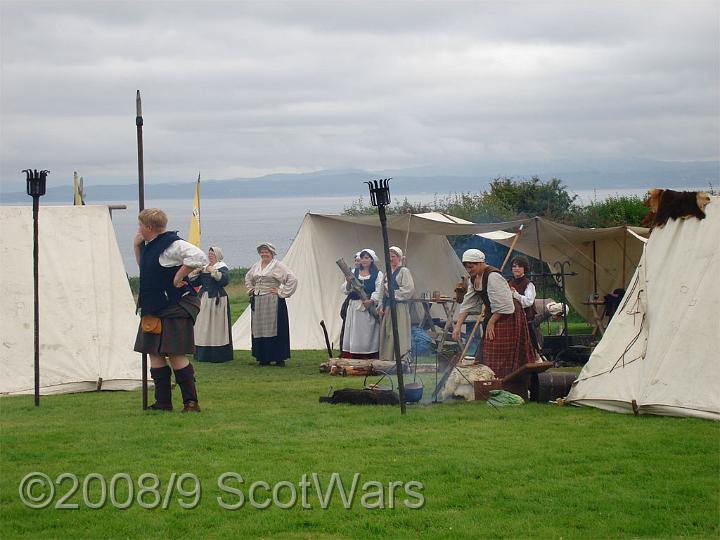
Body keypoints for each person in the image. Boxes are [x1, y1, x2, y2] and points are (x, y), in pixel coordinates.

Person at [133, 208, 207, 412]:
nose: (138, 229)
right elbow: (146, 269)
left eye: (140, 225)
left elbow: (199, 257)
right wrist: (136, 247)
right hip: (154, 308)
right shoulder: (150, 246)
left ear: (148, 227)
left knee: (175, 355)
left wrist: (179, 276)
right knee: (154, 353)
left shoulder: (172, 245)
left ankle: (191, 403)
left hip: (174, 307)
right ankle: (163, 403)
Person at [452, 249, 534, 378]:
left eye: (471, 267)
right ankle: (491, 380)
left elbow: (505, 304)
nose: (469, 270)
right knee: (490, 348)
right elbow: (467, 303)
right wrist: (458, 326)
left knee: (501, 349)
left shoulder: (493, 276)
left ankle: (507, 380)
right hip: (496, 313)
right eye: (467, 267)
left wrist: (491, 321)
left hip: (508, 315)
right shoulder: (474, 278)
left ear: (480, 263)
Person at [245, 242, 298, 366]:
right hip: (258, 301)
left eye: (266, 251)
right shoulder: (256, 266)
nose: (264, 254)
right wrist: (251, 289)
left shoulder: (278, 266)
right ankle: (263, 357)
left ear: (272, 253)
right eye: (262, 252)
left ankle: (278, 358)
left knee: (274, 329)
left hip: (272, 301)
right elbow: (248, 277)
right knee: (260, 329)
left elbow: (292, 279)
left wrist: (281, 292)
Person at [188, 246, 233, 363]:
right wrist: (195, 272)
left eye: (212, 254)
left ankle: (218, 354)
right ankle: (202, 353)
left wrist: (214, 272)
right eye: (209, 254)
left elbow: (224, 281)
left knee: (216, 326)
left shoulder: (221, 267)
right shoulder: (204, 267)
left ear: (218, 255)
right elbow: (194, 282)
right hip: (204, 299)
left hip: (217, 299)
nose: (210, 255)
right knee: (202, 325)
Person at [340, 249, 384, 359]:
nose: (364, 260)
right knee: (354, 331)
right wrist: (349, 282)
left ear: (371, 260)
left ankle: (368, 355)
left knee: (367, 332)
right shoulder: (354, 272)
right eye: (362, 258)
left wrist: (372, 300)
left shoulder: (378, 274)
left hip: (367, 307)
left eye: (366, 258)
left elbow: (379, 290)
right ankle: (353, 355)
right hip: (354, 307)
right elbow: (345, 290)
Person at [379, 246, 415, 362]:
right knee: (388, 332)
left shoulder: (404, 271)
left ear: (399, 258)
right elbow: (381, 292)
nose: (390, 259)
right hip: (388, 307)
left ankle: (400, 359)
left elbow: (409, 290)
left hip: (399, 307)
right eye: (388, 257)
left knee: (399, 332)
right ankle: (388, 358)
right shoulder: (387, 273)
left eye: (393, 256)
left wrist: (392, 292)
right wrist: (381, 305)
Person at [507, 255, 540, 356]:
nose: (516, 268)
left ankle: (536, 359)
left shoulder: (529, 284)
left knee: (530, 345)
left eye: (519, 266)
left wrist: (515, 295)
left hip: (526, 319)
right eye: (514, 266)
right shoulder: (508, 283)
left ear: (524, 268)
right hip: (511, 318)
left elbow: (528, 302)